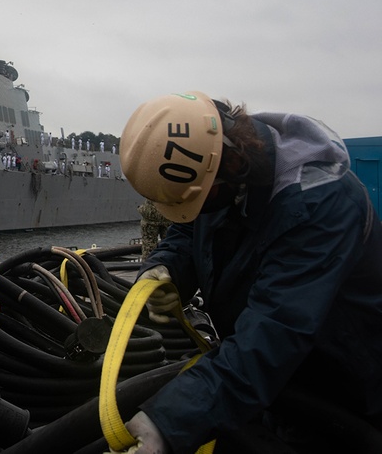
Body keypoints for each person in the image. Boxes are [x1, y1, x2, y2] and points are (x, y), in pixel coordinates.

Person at [116, 91, 382, 454]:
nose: (195, 210)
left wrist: (168, 422)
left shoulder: (320, 204)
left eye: (198, 199)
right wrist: (166, 267)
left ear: (234, 166)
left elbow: (275, 329)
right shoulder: (222, 174)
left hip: (344, 392)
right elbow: (191, 226)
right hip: (272, 384)